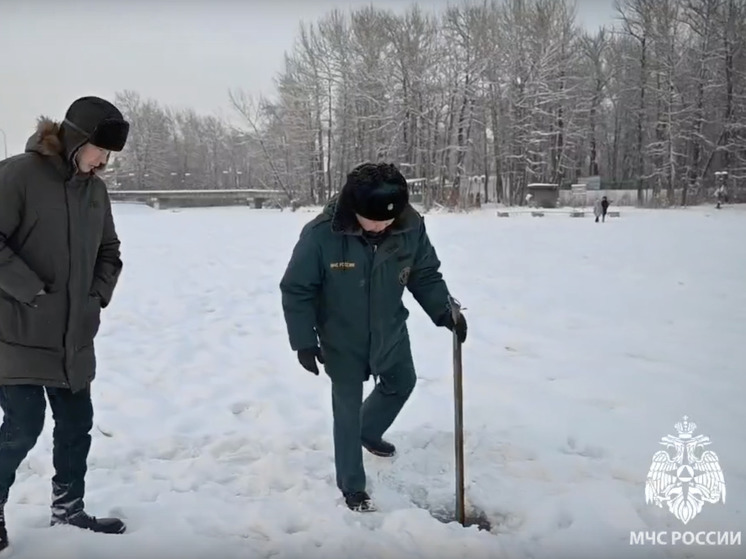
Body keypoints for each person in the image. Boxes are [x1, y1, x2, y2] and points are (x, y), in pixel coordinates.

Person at [279, 162, 467, 512]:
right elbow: (297, 288)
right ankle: (353, 486)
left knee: (402, 382)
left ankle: (369, 429)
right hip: (341, 337)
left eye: (388, 219)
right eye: (374, 219)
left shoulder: (410, 227)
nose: (382, 226)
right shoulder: (322, 234)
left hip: (389, 329)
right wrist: (304, 340)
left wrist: (444, 310)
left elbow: (424, 274)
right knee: (346, 411)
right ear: (354, 208)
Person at [0, 96, 129, 550]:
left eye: (108, 154)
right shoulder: (17, 175)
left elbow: (110, 252)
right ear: (76, 139)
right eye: (99, 150)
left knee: (77, 426)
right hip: (17, 332)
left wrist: (97, 297)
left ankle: (69, 509)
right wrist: (30, 291)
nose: (104, 161)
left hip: (75, 335)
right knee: (23, 426)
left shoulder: (95, 190)